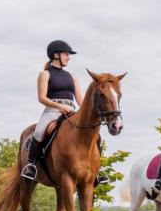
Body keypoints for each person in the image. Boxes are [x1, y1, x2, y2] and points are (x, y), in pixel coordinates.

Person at [22, 40, 107, 184]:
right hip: (52, 110)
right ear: (56, 55)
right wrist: (58, 106)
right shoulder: (45, 74)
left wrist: (87, 112)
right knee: (39, 132)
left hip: (71, 111)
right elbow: (41, 98)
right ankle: (31, 165)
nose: (68, 57)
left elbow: (80, 99)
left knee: (97, 135)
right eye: (66, 54)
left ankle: (97, 170)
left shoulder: (72, 76)